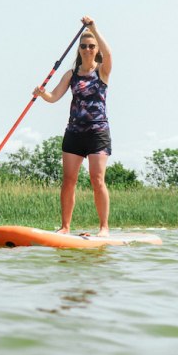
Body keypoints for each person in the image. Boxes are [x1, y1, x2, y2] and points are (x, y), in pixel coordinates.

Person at [34, 16, 114, 236]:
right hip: (74, 133)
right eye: (83, 46)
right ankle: (65, 227)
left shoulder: (102, 72)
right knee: (68, 181)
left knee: (97, 179)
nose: (87, 49)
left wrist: (94, 28)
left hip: (97, 132)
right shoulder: (71, 74)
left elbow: (109, 55)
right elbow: (54, 97)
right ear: (79, 50)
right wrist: (42, 94)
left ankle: (104, 228)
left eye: (91, 46)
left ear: (95, 48)